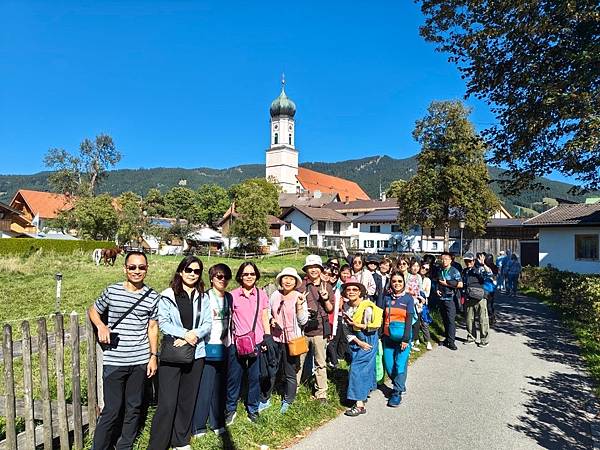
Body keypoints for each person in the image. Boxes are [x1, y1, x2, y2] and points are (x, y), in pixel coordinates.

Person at [89, 251, 160, 450]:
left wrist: (153, 356)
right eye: (132, 267)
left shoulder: (152, 296)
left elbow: (152, 327)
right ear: (125, 268)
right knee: (111, 409)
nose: (137, 271)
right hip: (115, 360)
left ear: (147, 268)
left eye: (141, 267)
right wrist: (101, 326)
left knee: (134, 407)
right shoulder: (112, 291)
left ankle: (124, 446)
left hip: (139, 360)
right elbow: (93, 310)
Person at [148, 256, 212, 450]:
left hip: (196, 353)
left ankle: (180, 441)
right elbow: (164, 323)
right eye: (188, 270)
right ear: (180, 271)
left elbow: (207, 324)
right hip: (172, 354)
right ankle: (158, 445)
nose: (192, 274)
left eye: (196, 271)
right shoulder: (168, 295)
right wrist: (185, 334)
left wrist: (192, 336)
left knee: (187, 400)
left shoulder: (203, 297)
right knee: (167, 402)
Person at [225, 262, 270, 424]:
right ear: (240, 276)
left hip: (256, 342)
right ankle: (230, 409)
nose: (249, 277)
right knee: (233, 378)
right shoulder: (232, 295)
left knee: (254, 377)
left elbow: (265, 317)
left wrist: (267, 337)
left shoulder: (261, 294)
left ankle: (253, 408)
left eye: (252, 274)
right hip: (237, 343)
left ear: (256, 275)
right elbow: (228, 319)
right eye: (246, 274)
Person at [260, 267, 308, 413]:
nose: (288, 281)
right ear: (281, 280)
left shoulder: (298, 296)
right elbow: (267, 312)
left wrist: (300, 306)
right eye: (285, 278)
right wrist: (271, 320)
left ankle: (288, 400)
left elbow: (303, 320)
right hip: (275, 338)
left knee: (289, 372)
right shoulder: (275, 295)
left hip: (291, 340)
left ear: (295, 282)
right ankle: (265, 399)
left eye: (291, 279)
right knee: (271, 370)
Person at [192, 263, 232, 438]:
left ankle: (217, 422)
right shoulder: (204, 297)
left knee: (219, 387)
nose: (222, 280)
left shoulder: (229, 298)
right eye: (219, 276)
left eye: (226, 277)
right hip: (206, 347)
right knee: (205, 387)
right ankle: (199, 425)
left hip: (224, 347)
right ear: (211, 278)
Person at [297, 255, 334, 403]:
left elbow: (330, 309)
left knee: (321, 363)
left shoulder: (327, 286)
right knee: (298, 363)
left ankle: (321, 393)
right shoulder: (300, 286)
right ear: (306, 270)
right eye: (310, 267)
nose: (313, 270)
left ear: (320, 269)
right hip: (303, 331)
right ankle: (294, 390)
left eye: (316, 267)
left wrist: (325, 299)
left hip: (320, 330)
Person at [342, 277, 381, 417]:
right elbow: (345, 328)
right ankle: (364, 391)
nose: (351, 292)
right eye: (348, 289)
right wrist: (356, 341)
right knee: (364, 367)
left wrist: (360, 327)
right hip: (355, 340)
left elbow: (375, 325)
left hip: (368, 337)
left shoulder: (368, 306)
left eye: (355, 289)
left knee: (357, 369)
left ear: (360, 292)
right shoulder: (346, 307)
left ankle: (359, 404)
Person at [381, 272, 414, 407]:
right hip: (388, 336)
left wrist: (406, 339)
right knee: (389, 366)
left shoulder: (408, 299)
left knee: (400, 364)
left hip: (403, 338)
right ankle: (399, 385)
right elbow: (382, 316)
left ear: (404, 283)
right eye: (394, 281)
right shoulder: (386, 298)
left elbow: (409, 319)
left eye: (400, 281)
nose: (397, 284)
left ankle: (396, 392)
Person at [435, 252, 463, 350]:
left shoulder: (454, 271)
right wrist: (437, 289)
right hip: (441, 299)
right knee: (445, 320)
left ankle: (451, 342)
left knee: (451, 320)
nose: (444, 261)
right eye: (442, 259)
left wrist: (447, 283)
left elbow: (460, 284)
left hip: (451, 299)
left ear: (451, 260)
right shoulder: (440, 270)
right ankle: (447, 339)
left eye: (446, 259)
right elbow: (438, 282)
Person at [461, 253, 490, 347]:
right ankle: (471, 337)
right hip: (469, 297)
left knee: (483, 319)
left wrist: (483, 264)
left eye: (470, 261)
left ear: (474, 261)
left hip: (480, 298)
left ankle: (484, 340)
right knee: (469, 319)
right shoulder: (464, 271)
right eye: (466, 261)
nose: (468, 263)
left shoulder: (479, 269)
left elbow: (490, 273)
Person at [419, 262, 433, 350]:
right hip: (413, 301)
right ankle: (414, 339)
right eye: (423, 267)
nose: (424, 269)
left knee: (424, 322)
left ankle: (427, 341)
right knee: (415, 323)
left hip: (423, 303)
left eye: (426, 269)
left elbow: (427, 293)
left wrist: (419, 292)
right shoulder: (414, 277)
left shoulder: (427, 280)